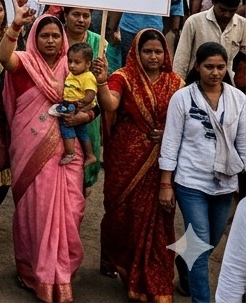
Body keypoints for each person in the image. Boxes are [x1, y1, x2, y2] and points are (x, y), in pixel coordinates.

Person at [0, 11, 90, 303]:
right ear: (34, 39)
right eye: (44, 35)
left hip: (67, 150)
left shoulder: (74, 66)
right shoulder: (26, 63)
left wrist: (85, 113)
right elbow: (4, 58)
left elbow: (92, 105)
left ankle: (60, 273)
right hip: (30, 148)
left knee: (70, 211)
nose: (50, 40)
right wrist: (15, 25)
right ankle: (35, 272)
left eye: (55, 36)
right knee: (36, 211)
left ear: (63, 39)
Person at [92, 29, 181, 303]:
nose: (153, 56)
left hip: (161, 161)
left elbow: (184, 119)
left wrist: (167, 132)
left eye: (158, 51)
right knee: (121, 215)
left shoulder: (176, 82)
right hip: (125, 158)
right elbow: (110, 104)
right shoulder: (123, 77)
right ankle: (118, 259)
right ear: (136, 52)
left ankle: (152, 277)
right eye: (147, 51)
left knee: (157, 220)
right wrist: (102, 82)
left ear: (165, 53)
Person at [158, 41, 246, 303]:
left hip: (226, 183)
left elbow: (243, 144)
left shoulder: (239, 99)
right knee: (198, 245)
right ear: (197, 66)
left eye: (220, 67)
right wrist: (166, 183)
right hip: (190, 182)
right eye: (209, 67)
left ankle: (184, 262)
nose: (215, 72)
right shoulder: (182, 98)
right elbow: (171, 141)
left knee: (211, 241)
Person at [57, 43, 98, 166]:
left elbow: (91, 93)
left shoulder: (87, 77)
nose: (72, 65)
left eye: (77, 62)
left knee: (66, 125)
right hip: (72, 105)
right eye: (70, 61)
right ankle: (90, 155)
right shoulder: (73, 74)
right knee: (82, 133)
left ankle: (70, 153)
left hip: (78, 107)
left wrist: (82, 104)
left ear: (88, 64)